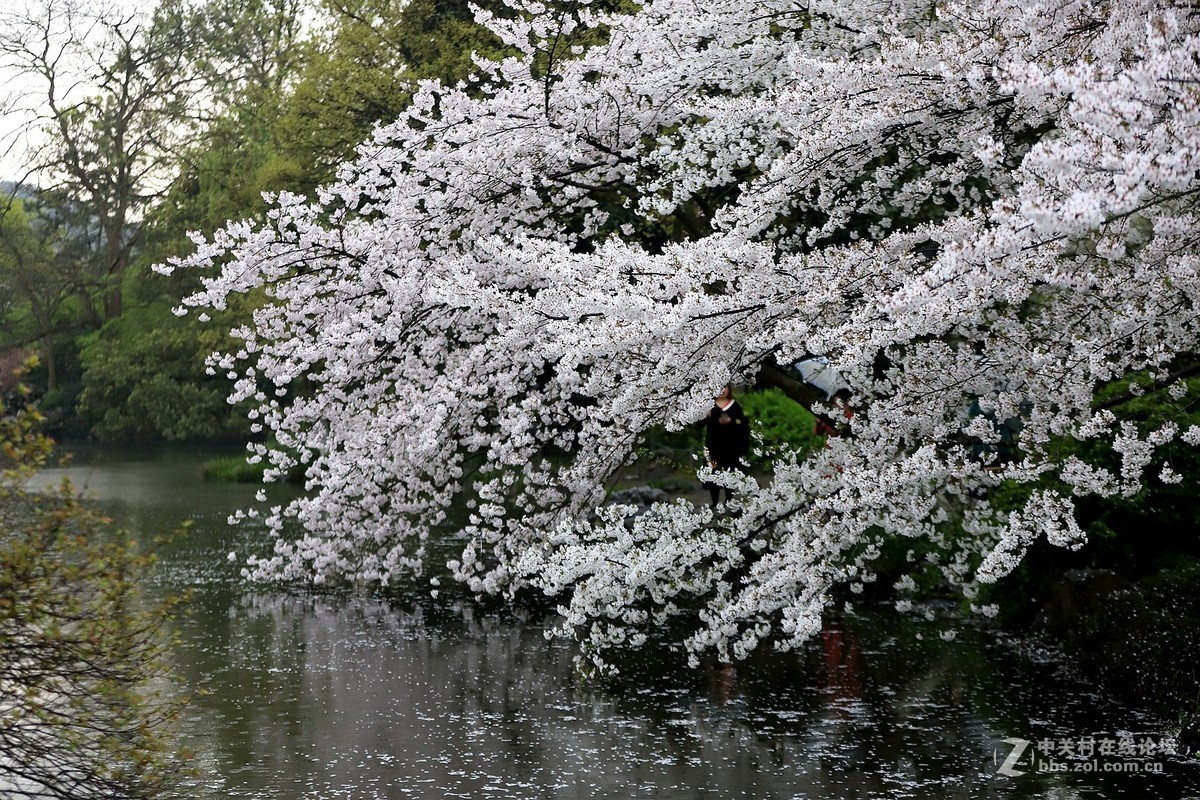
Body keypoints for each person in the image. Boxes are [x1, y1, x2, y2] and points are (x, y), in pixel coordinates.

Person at [703, 385, 751, 509]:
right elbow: (699, 425)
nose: (722, 390)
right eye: (719, 387)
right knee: (713, 473)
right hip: (713, 446)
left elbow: (744, 422)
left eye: (725, 387)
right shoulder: (709, 405)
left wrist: (732, 421)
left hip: (731, 447)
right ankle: (714, 502)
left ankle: (728, 501)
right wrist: (706, 415)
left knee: (730, 474)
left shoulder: (735, 406)